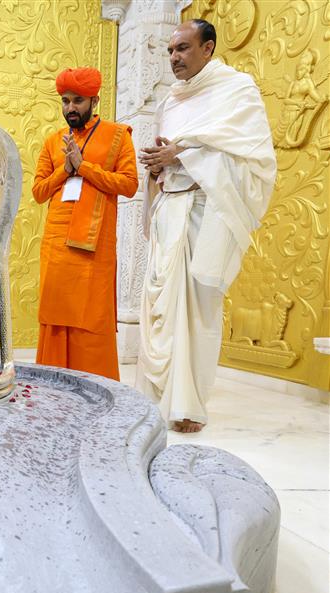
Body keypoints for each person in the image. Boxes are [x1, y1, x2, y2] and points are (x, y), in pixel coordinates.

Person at [136, 19, 276, 432]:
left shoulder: (238, 91)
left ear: (208, 48)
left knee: (198, 306)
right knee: (162, 304)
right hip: (170, 209)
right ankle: (158, 397)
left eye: (182, 48)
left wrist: (184, 155)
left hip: (207, 210)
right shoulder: (172, 101)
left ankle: (189, 407)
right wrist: (159, 166)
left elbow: (255, 159)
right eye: (170, 51)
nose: (174, 58)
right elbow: (169, 154)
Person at [32, 67, 138, 380]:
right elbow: (39, 192)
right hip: (56, 243)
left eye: (77, 100)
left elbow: (129, 184)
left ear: (94, 100)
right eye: (65, 101)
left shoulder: (118, 135)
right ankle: (53, 388)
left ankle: (96, 387)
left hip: (94, 245)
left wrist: (85, 167)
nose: (70, 108)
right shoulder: (53, 142)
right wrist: (65, 169)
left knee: (91, 317)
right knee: (55, 313)